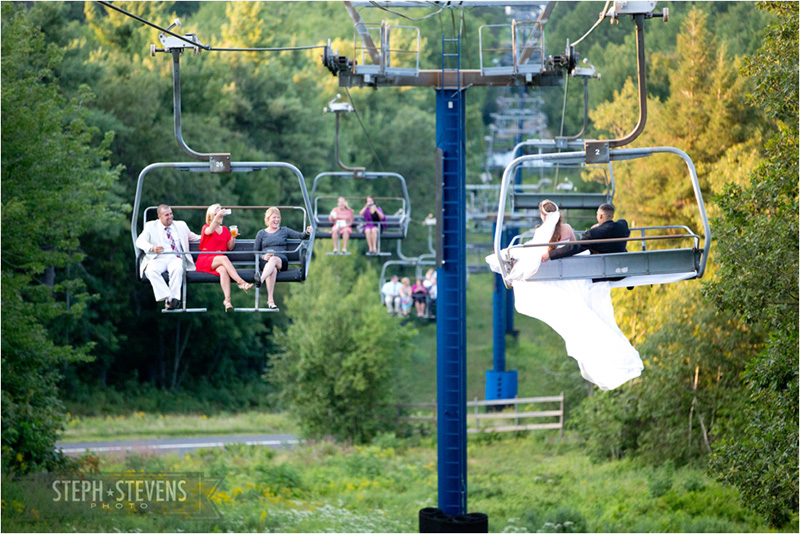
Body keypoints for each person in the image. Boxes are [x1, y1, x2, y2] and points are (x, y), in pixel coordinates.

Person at [485, 202, 642, 390]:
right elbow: (575, 246)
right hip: (581, 268)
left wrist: (548, 256)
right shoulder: (618, 226)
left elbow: (569, 247)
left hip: (559, 271)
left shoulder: (545, 232)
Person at [136, 204, 201, 310]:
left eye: (171, 214)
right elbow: (140, 241)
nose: (170, 217)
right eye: (167, 215)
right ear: (159, 216)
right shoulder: (151, 226)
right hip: (159, 257)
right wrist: (152, 248)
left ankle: (172, 301)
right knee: (150, 271)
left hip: (175, 257)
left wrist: (214, 236)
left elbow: (195, 237)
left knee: (177, 269)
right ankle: (170, 297)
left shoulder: (181, 225)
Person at [196, 203, 253, 312]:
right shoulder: (206, 227)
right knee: (224, 258)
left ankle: (227, 300)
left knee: (223, 270)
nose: (220, 215)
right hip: (206, 258)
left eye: (221, 213)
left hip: (218, 260)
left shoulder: (225, 229)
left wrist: (233, 237)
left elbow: (229, 247)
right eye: (216, 214)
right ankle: (240, 282)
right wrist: (217, 218)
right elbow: (210, 231)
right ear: (211, 216)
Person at [253, 207, 312, 310]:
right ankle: (270, 301)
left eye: (278, 217)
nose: (277, 220)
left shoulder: (284, 230)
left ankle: (260, 280)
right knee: (273, 270)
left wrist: (307, 232)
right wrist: (263, 256)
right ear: (268, 219)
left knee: (274, 260)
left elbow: (300, 236)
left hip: (281, 260)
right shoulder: (261, 233)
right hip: (265, 262)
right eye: (274, 217)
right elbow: (255, 251)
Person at [541, 203, 628, 262]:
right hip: (621, 269)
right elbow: (610, 227)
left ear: (600, 216)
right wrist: (601, 225)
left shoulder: (593, 233)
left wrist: (550, 254)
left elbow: (574, 247)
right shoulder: (623, 225)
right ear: (612, 216)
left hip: (603, 270)